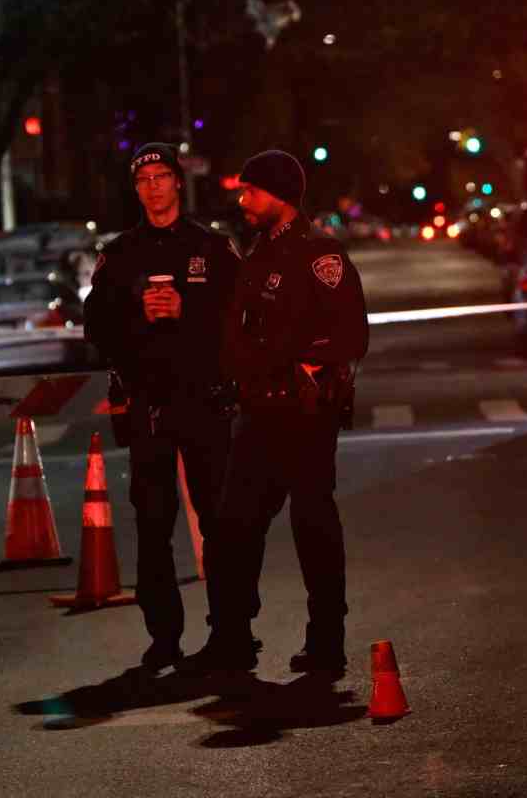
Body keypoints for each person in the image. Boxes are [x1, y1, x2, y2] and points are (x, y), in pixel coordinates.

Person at [178, 150, 368, 675]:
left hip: (304, 418)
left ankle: (326, 642)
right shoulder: (258, 253)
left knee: (313, 527)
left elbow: (352, 333)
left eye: (251, 192)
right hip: (257, 415)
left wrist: (308, 369)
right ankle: (233, 638)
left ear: (280, 195)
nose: (243, 201)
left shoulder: (319, 254)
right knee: (233, 526)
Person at [83, 142, 242, 672]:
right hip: (148, 403)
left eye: (162, 176)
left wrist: (187, 308)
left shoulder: (211, 248)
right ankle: (164, 636)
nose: (154, 186)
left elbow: (239, 321)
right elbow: (94, 328)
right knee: (153, 524)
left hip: (203, 399)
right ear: (137, 190)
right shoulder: (120, 253)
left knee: (220, 522)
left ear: (179, 182)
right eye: (144, 179)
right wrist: (138, 314)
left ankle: (231, 631)